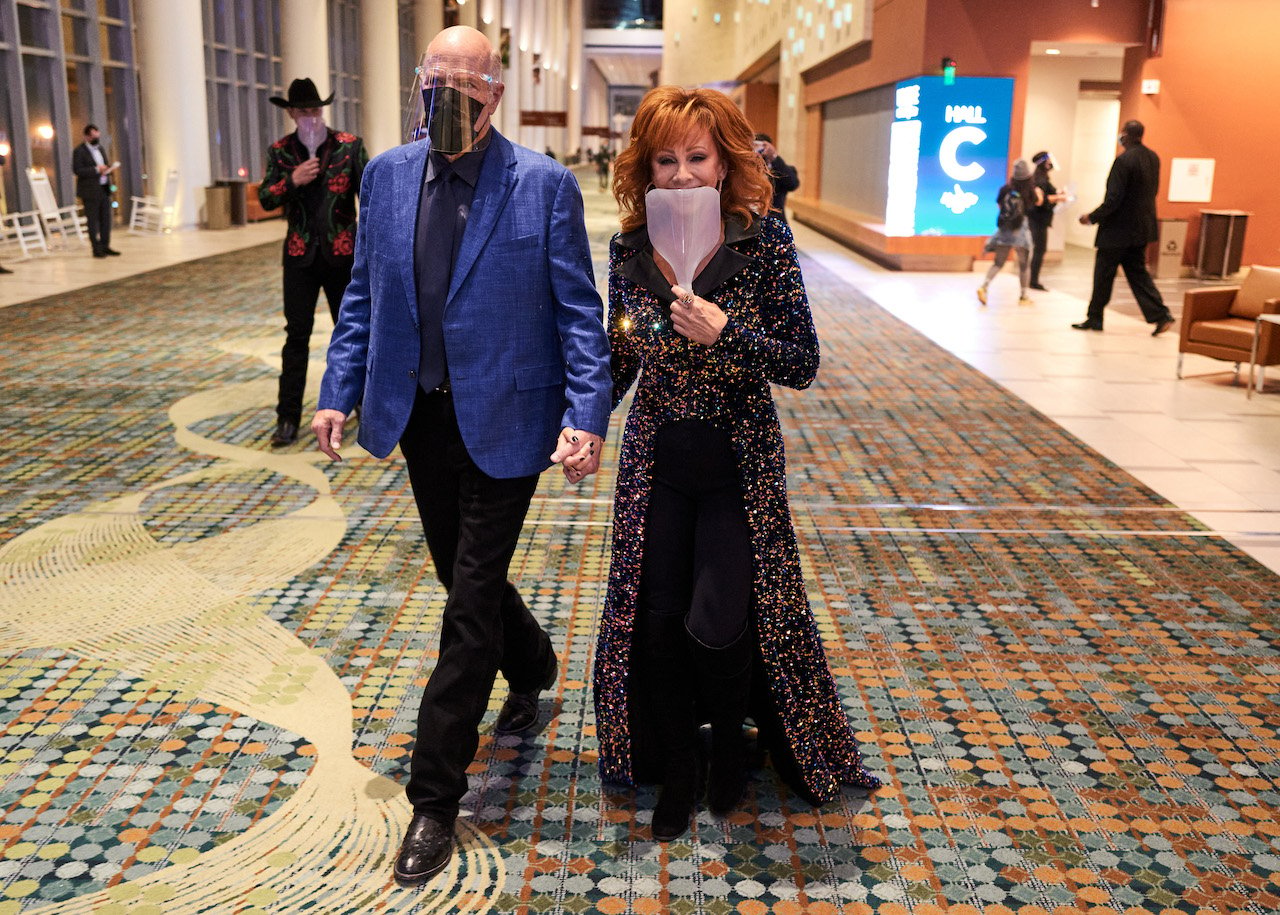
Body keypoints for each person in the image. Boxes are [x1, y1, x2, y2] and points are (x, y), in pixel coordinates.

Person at [311, 26, 611, 886]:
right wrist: (339, 389)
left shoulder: (543, 186)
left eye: (462, 86)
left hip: (509, 421)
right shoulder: (389, 175)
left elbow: (577, 313)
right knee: (462, 575)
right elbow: (364, 295)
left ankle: (435, 796)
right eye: (431, 81)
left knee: (468, 603)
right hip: (421, 420)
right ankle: (537, 661)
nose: (443, 98)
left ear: (493, 95)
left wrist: (586, 412)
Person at [594, 86, 881, 843]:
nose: (683, 174)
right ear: (645, 167)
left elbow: (803, 362)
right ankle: (681, 764)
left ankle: (729, 747)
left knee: (718, 622)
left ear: (725, 163)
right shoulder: (629, 249)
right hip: (656, 457)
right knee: (654, 622)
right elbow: (618, 357)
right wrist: (582, 424)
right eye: (667, 159)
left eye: (698, 156)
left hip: (737, 459)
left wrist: (728, 334)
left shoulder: (765, 241)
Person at [258, 77, 368, 447]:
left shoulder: (348, 147)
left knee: (353, 334)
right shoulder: (280, 151)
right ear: (291, 113)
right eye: (303, 110)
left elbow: (369, 196)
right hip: (299, 257)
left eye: (316, 109)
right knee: (297, 337)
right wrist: (292, 179)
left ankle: (365, 407)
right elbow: (266, 198)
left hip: (344, 256)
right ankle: (287, 418)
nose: (311, 116)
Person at [1073, 120, 1175, 335]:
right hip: (1142, 228)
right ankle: (1161, 315)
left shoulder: (1123, 161)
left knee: (1103, 274)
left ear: (1126, 135)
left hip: (1117, 231)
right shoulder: (1153, 158)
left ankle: (1095, 318)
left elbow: (1114, 198)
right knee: (1138, 274)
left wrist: (1092, 217)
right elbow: (1151, 192)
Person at [976, 158, 1041, 306]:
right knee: (1024, 265)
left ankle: (984, 286)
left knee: (998, 263)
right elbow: (1037, 202)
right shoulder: (1029, 190)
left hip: (1005, 231)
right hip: (1021, 233)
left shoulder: (1005, 189)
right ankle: (1024, 296)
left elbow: (1000, 206)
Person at [72, 124, 119, 258]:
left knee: (106, 219)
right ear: (86, 136)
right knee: (93, 221)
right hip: (90, 190)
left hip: (103, 188)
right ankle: (96, 248)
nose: (96, 138)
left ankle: (105, 246)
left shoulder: (101, 149)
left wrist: (108, 169)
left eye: (97, 136)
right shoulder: (79, 151)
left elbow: (104, 165)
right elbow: (77, 170)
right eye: (93, 136)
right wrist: (96, 170)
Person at [1027, 150, 1067, 291]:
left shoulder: (1042, 178)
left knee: (1039, 249)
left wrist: (1058, 195)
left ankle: (1033, 279)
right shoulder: (1039, 179)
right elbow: (1040, 200)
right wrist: (1059, 198)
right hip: (1037, 219)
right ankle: (1033, 280)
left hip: (1040, 219)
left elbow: (1049, 193)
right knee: (1039, 249)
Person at [753, 132, 799, 222]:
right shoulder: (744, 172)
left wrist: (774, 157)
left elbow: (793, 184)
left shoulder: (781, 170)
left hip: (775, 223)